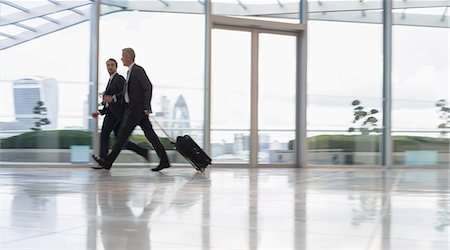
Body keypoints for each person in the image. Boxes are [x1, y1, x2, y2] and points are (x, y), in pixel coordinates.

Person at [92, 48, 171, 171]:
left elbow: (148, 87)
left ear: (129, 57)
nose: (122, 58)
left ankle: (107, 163)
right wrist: (112, 98)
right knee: (150, 136)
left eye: (123, 56)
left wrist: (147, 106)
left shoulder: (137, 70)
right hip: (133, 111)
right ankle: (164, 161)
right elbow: (125, 93)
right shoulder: (130, 72)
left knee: (121, 138)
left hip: (136, 111)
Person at [91, 58, 149, 169]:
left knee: (104, 135)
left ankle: (103, 161)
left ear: (116, 67)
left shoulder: (119, 79)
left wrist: (112, 98)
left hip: (117, 114)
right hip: (114, 114)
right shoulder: (111, 80)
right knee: (121, 141)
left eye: (112, 65)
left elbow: (124, 93)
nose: (109, 67)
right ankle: (143, 152)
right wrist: (99, 111)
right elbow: (108, 101)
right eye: (108, 65)